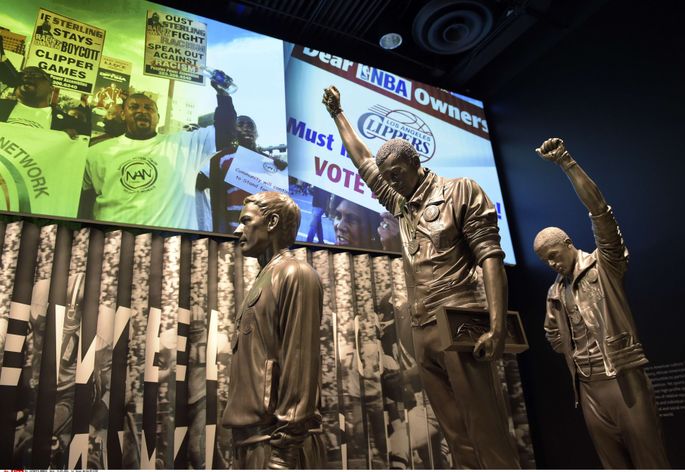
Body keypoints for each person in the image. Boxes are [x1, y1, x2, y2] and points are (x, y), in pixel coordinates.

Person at [322, 86, 520, 468]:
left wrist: (496, 326)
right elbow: (363, 159)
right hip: (421, 328)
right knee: (455, 436)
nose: (392, 182)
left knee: (486, 430)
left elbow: (491, 258)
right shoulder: (400, 205)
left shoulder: (459, 191)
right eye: (388, 177)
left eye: (397, 174)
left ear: (415, 164)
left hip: (460, 320)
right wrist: (338, 114)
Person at [534, 137, 670, 469]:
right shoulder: (555, 292)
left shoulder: (604, 265)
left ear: (568, 244)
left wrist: (566, 161)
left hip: (621, 376)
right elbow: (552, 335)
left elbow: (601, 213)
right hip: (587, 386)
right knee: (612, 465)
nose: (551, 265)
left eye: (553, 256)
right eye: (545, 262)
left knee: (650, 460)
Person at [222, 191, 326, 469]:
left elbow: (300, 364)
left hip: (277, 446)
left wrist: (283, 453)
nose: (237, 229)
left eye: (246, 220)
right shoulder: (266, 278)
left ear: (272, 222)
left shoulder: (295, 274)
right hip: (254, 443)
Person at [82, 79, 234, 230]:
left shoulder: (184, 145)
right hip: (114, 244)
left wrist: (223, 95)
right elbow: (80, 198)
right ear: (123, 114)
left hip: (169, 247)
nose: (142, 111)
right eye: (134, 107)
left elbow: (225, 133)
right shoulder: (97, 153)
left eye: (149, 108)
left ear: (158, 117)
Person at [0, 65, 86, 136]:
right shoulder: (2, 107)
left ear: (51, 88)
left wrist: (66, 142)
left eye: (35, 75)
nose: (26, 76)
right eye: (22, 75)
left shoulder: (69, 124)